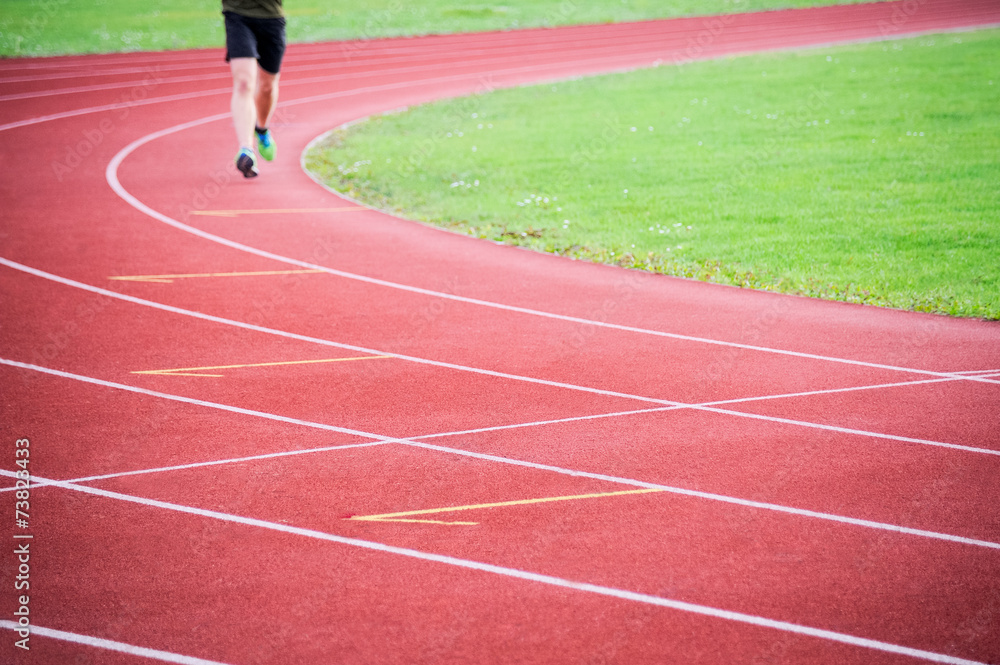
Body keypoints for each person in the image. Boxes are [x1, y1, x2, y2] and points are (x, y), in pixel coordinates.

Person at [223, 0, 286, 178]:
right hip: (237, 16)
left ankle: (262, 130)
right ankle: (246, 150)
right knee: (244, 83)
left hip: (271, 17)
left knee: (267, 86)